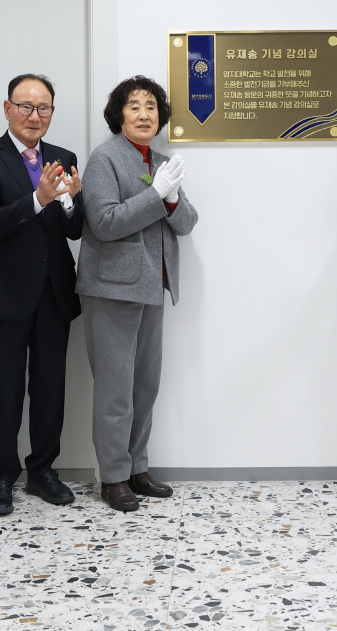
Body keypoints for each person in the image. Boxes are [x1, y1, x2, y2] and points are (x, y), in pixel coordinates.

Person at [76, 76, 198, 512]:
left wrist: (168, 199)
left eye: (151, 106)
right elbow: (105, 222)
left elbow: (186, 223)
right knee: (115, 388)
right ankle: (112, 477)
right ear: (119, 115)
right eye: (134, 106)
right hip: (111, 288)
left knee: (145, 386)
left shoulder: (163, 161)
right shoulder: (104, 159)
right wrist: (156, 194)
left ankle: (136, 467)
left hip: (151, 287)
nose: (145, 113)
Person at [0, 73, 84, 516]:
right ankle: (0, 475)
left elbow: (74, 229)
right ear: (7, 108)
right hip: (5, 292)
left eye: (44, 108)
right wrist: (37, 199)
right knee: (4, 389)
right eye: (26, 107)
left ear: (52, 112)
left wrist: (70, 200)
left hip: (54, 290)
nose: (35, 116)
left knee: (51, 387)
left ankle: (42, 471)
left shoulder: (64, 156)